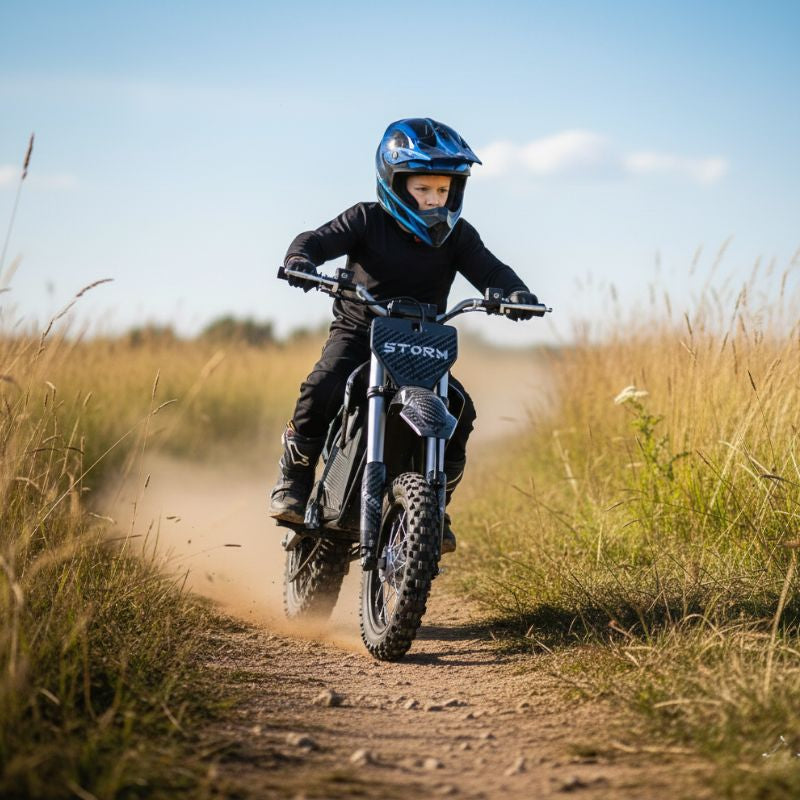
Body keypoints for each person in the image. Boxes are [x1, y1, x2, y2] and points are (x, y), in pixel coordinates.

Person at [269, 117, 538, 554]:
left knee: (460, 412)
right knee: (322, 386)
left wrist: (515, 293)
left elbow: (491, 269)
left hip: (422, 344)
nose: (434, 200)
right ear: (394, 183)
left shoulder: (459, 237)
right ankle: (294, 481)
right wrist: (301, 258)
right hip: (359, 333)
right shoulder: (366, 219)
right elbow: (317, 240)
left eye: (443, 191)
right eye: (422, 189)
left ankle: (434, 507)